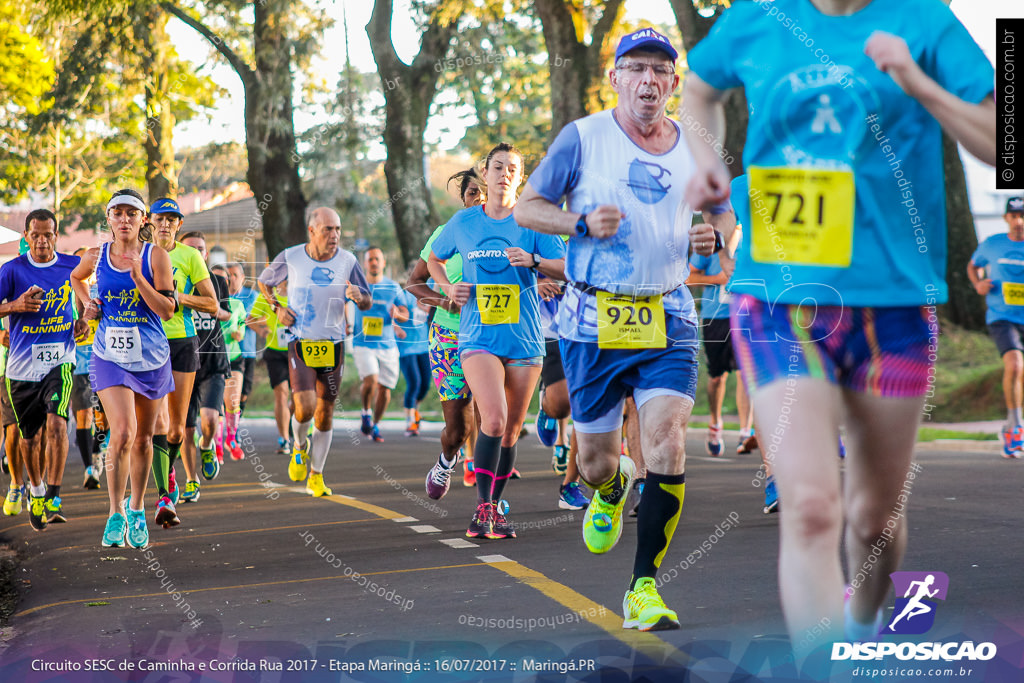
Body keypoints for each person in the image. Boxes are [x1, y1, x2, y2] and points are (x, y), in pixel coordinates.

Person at [682, 0, 995, 653]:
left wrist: (919, 84)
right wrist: (704, 157)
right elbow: (699, 89)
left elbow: (1003, 141)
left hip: (895, 308)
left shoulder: (926, 20)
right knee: (812, 506)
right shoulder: (757, 16)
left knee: (874, 519)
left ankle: (861, 622)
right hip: (779, 299)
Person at [515, 28, 733, 630]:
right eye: (635, 68)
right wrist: (578, 221)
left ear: (672, 82)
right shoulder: (582, 138)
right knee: (594, 461)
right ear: (614, 78)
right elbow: (526, 207)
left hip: (667, 311)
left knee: (666, 440)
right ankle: (612, 488)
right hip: (592, 318)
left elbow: (723, 209)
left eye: (660, 71)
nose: (647, 80)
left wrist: (717, 236)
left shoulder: (694, 144)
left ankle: (644, 587)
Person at [429, 141, 567, 539]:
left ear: (520, 177)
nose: (504, 172)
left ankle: (496, 503)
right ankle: (484, 508)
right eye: (498, 166)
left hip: (525, 340)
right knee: (492, 418)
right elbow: (435, 260)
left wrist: (536, 263)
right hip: (477, 337)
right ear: (485, 174)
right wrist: (447, 289)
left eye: (512, 168)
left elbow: (566, 268)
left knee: (508, 432)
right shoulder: (464, 222)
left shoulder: (535, 221)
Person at [71, 189, 176, 549]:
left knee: (145, 439)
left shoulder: (155, 256)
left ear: (142, 220)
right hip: (109, 355)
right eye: (118, 213)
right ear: (109, 219)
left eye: (132, 213)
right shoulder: (96, 255)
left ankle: (136, 509)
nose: (125, 219)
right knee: (123, 432)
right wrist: (90, 305)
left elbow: (166, 310)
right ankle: (114, 512)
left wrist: (139, 279)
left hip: (151, 357)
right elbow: (76, 279)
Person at [258, 207, 371, 497]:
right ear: (312, 231)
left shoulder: (348, 261)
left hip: (334, 345)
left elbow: (367, 299)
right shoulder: (291, 256)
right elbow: (263, 282)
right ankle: (298, 446)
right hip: (301, 341)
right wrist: (277, 308)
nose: (334, 236)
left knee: (325, 413)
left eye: (338, 230)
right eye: (328, 230)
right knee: (305, 407)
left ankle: (316, 475)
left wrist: (360, 297)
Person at [0, 209, 85, 530]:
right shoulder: (12, 271)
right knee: (29, 439)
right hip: (21, 369)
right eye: (35, 235)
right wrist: (14, 306)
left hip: (59, 362)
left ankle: (54, 492)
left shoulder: (71, 267)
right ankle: (34, 489)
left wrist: (81, 321)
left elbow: (85, 302)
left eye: (47, 234)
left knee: (57, 424)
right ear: (26, 237)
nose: (41, 241)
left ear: (56, 236)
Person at [411, 169, 485, 497]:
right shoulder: (447, 232)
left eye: (484, 192)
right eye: (472, 193)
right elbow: (415, 282)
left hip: (492, 338)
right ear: (463, 198)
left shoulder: (513, 231)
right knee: (459, 429)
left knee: (494, 421)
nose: (480, 198)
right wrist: (445, 300)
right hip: (449, 336)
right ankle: (446, 460)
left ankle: (489, 500)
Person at [148, 198, 218, 528]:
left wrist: (179, 298)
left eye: (171, 219)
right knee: (157, 425)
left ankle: (170, 471)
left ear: (179, 223)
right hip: (147, 342)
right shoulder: (138, 254)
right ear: (149, 221)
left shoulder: (189, 256)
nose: (165, 223)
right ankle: (163, 495)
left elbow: (212, 303)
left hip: (182, 342)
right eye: (160, 218)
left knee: (177, 429)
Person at [968, 196, 1024, 458]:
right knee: (1014, 365)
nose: (1019, 221)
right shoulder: (992, 245)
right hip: (1002, 317)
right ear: (1006, 218)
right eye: (1014, 216)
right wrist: (978, 283)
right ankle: (1015, 426)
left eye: (1023, 215)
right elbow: (973, 266)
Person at [180, 231, 232, 501]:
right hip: (183, 362)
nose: (197, 253)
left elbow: (226, 313)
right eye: (191, 248)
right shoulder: (171, 279)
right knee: (186, 427)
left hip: (213, 361)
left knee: (210, 419)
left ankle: (208, 444)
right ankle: (191, 480)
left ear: (206, 254)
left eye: (201, 249)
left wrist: (210, 308)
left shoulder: (217, 281)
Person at [352, 247, 408, 443]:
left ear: (383, 263)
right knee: (371, 379)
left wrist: (397, 315)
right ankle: (365, 412)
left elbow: (404, 313)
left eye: (377, 259)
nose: (374, 262)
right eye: (370, 260)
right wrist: (343, 322)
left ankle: (374, 424)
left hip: (388, 345)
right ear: (365, 264)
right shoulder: (358, 286)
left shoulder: (393, 287)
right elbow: (341, 302)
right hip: (363, 343)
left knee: (385, 389)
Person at [247, 279, 293, 454]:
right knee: (281, 394)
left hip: (296, 350)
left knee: (298, 397)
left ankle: (296, 421)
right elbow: (250, 320)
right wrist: (262, 331)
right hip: (274, 352)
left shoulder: (299, 293)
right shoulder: (268, 295)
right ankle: (284, 440)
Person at [70, 246, 102, 490]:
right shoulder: (64, 294)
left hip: (103, 358)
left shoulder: (102, 289)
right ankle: (89, 467)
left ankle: (98, 452)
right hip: (77, 361)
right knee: (84, 416)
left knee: (104, 418)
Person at [394, 287, 430, 437]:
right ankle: (410, 421)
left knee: (425, 385)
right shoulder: (403, 295)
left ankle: (414, 411)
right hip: (406, 346)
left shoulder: (429, 289)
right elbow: (391, 314)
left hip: (424, 346)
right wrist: (396, 328)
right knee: (414, 382)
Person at [221, 265, 248, 460]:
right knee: (217, 406)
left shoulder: (238, 305)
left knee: (233, 401)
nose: (229, 280)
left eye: (232, 276)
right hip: (215, 359)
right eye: (225, 277)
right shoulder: (210, 302)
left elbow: (242, 325)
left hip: (235, 357)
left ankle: (231, 439)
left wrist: (240, 333)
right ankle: (215, 445)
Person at [227, 262, 258, 416]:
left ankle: (235, 427)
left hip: (247, 351)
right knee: (228, 395)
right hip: (226, 353)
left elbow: (257, 319)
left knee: (244, 393)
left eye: (235, 275)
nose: (232, 279)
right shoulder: (220, 298)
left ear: (242, 278)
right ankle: (228, 432)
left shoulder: (252, 296)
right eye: (229, 275)